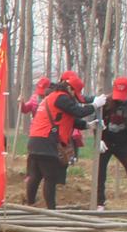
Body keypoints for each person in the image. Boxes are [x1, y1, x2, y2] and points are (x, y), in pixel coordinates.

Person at [21, 71, 93, 209]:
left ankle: (30, 204)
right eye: (75, 93)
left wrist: (87, 125)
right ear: (70, 88)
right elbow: (78, 112)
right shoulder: (61, 98)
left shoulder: (51, 98)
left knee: (35, 175)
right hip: (47, 141)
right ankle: (51, 210)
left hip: (35, 140)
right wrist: (94, 106)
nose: (74, 97)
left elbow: (69, 120)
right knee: (50, 177)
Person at [94, 76, 127, 208]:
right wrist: (98, 139)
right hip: (105, 143)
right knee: (99, 173)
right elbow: (96, 122)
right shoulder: (105, 102)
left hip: (125, 144)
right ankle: (99, 203)